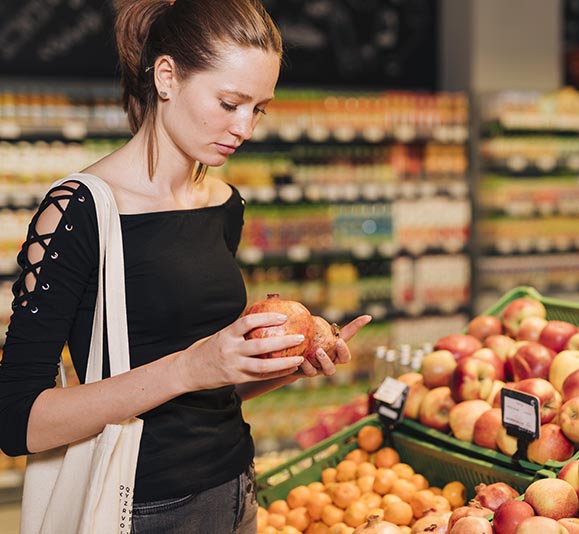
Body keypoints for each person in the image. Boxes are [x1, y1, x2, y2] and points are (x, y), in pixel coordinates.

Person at [0, 0, 371, 532]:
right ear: (167, 76)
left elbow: (205, 389)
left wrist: (279, 366)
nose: (244, 127)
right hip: (139, 506)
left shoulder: (223, 203)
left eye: (258, 108)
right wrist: (190, 366)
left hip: (238, 488)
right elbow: (18, 421)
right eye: (229, 103)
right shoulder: (80, 211)